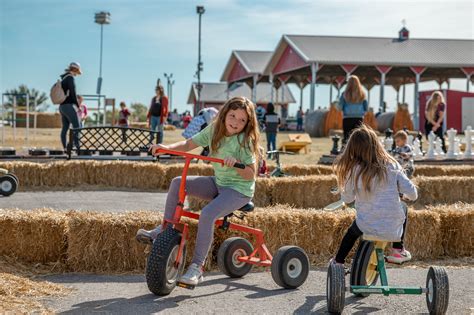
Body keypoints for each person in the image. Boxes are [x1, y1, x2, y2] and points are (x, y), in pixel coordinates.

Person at [136, 96, 260, 287]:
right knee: (178, 182)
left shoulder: (245, 141)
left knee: (208, 214)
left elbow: (251, 174)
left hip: (239, 190)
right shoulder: (214, 130)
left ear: (247, 123)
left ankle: (197, 267)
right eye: (233, 116)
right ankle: (165, 228)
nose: (236, 122)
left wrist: (236, 165)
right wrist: (166, 148)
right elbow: (187, 145)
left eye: (242, 120)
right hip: (219, 183)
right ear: (225, 113)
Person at [331, 124, 417, 266]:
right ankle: (397, 249)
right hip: (392, 229)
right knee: (403, 207)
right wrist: (402, 195)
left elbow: (347, 199)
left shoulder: (353, 170)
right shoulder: (392, 165)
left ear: (352, 149)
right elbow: (413, 194)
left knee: (351, 233)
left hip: (366, 225)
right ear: (376, 144)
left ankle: (338, 262)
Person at [59, 62, 82, 151]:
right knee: (77, 127)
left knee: (65, 128)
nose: (77, 73)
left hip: (62, 107)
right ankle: (75, 147)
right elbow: (73, 93)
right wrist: (77, 105)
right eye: (77, 71)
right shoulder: (70, 78)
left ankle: (65, 148)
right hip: (69, 106)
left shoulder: (64, 78)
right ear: (75, 69)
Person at [339, 75, 368, 144]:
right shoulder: (362, 94)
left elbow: (340, 107)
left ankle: (347, 152)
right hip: (359, 118)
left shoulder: (344, 94)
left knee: (347, 138)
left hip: (347, 118)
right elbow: (366, 107)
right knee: (358, 138)